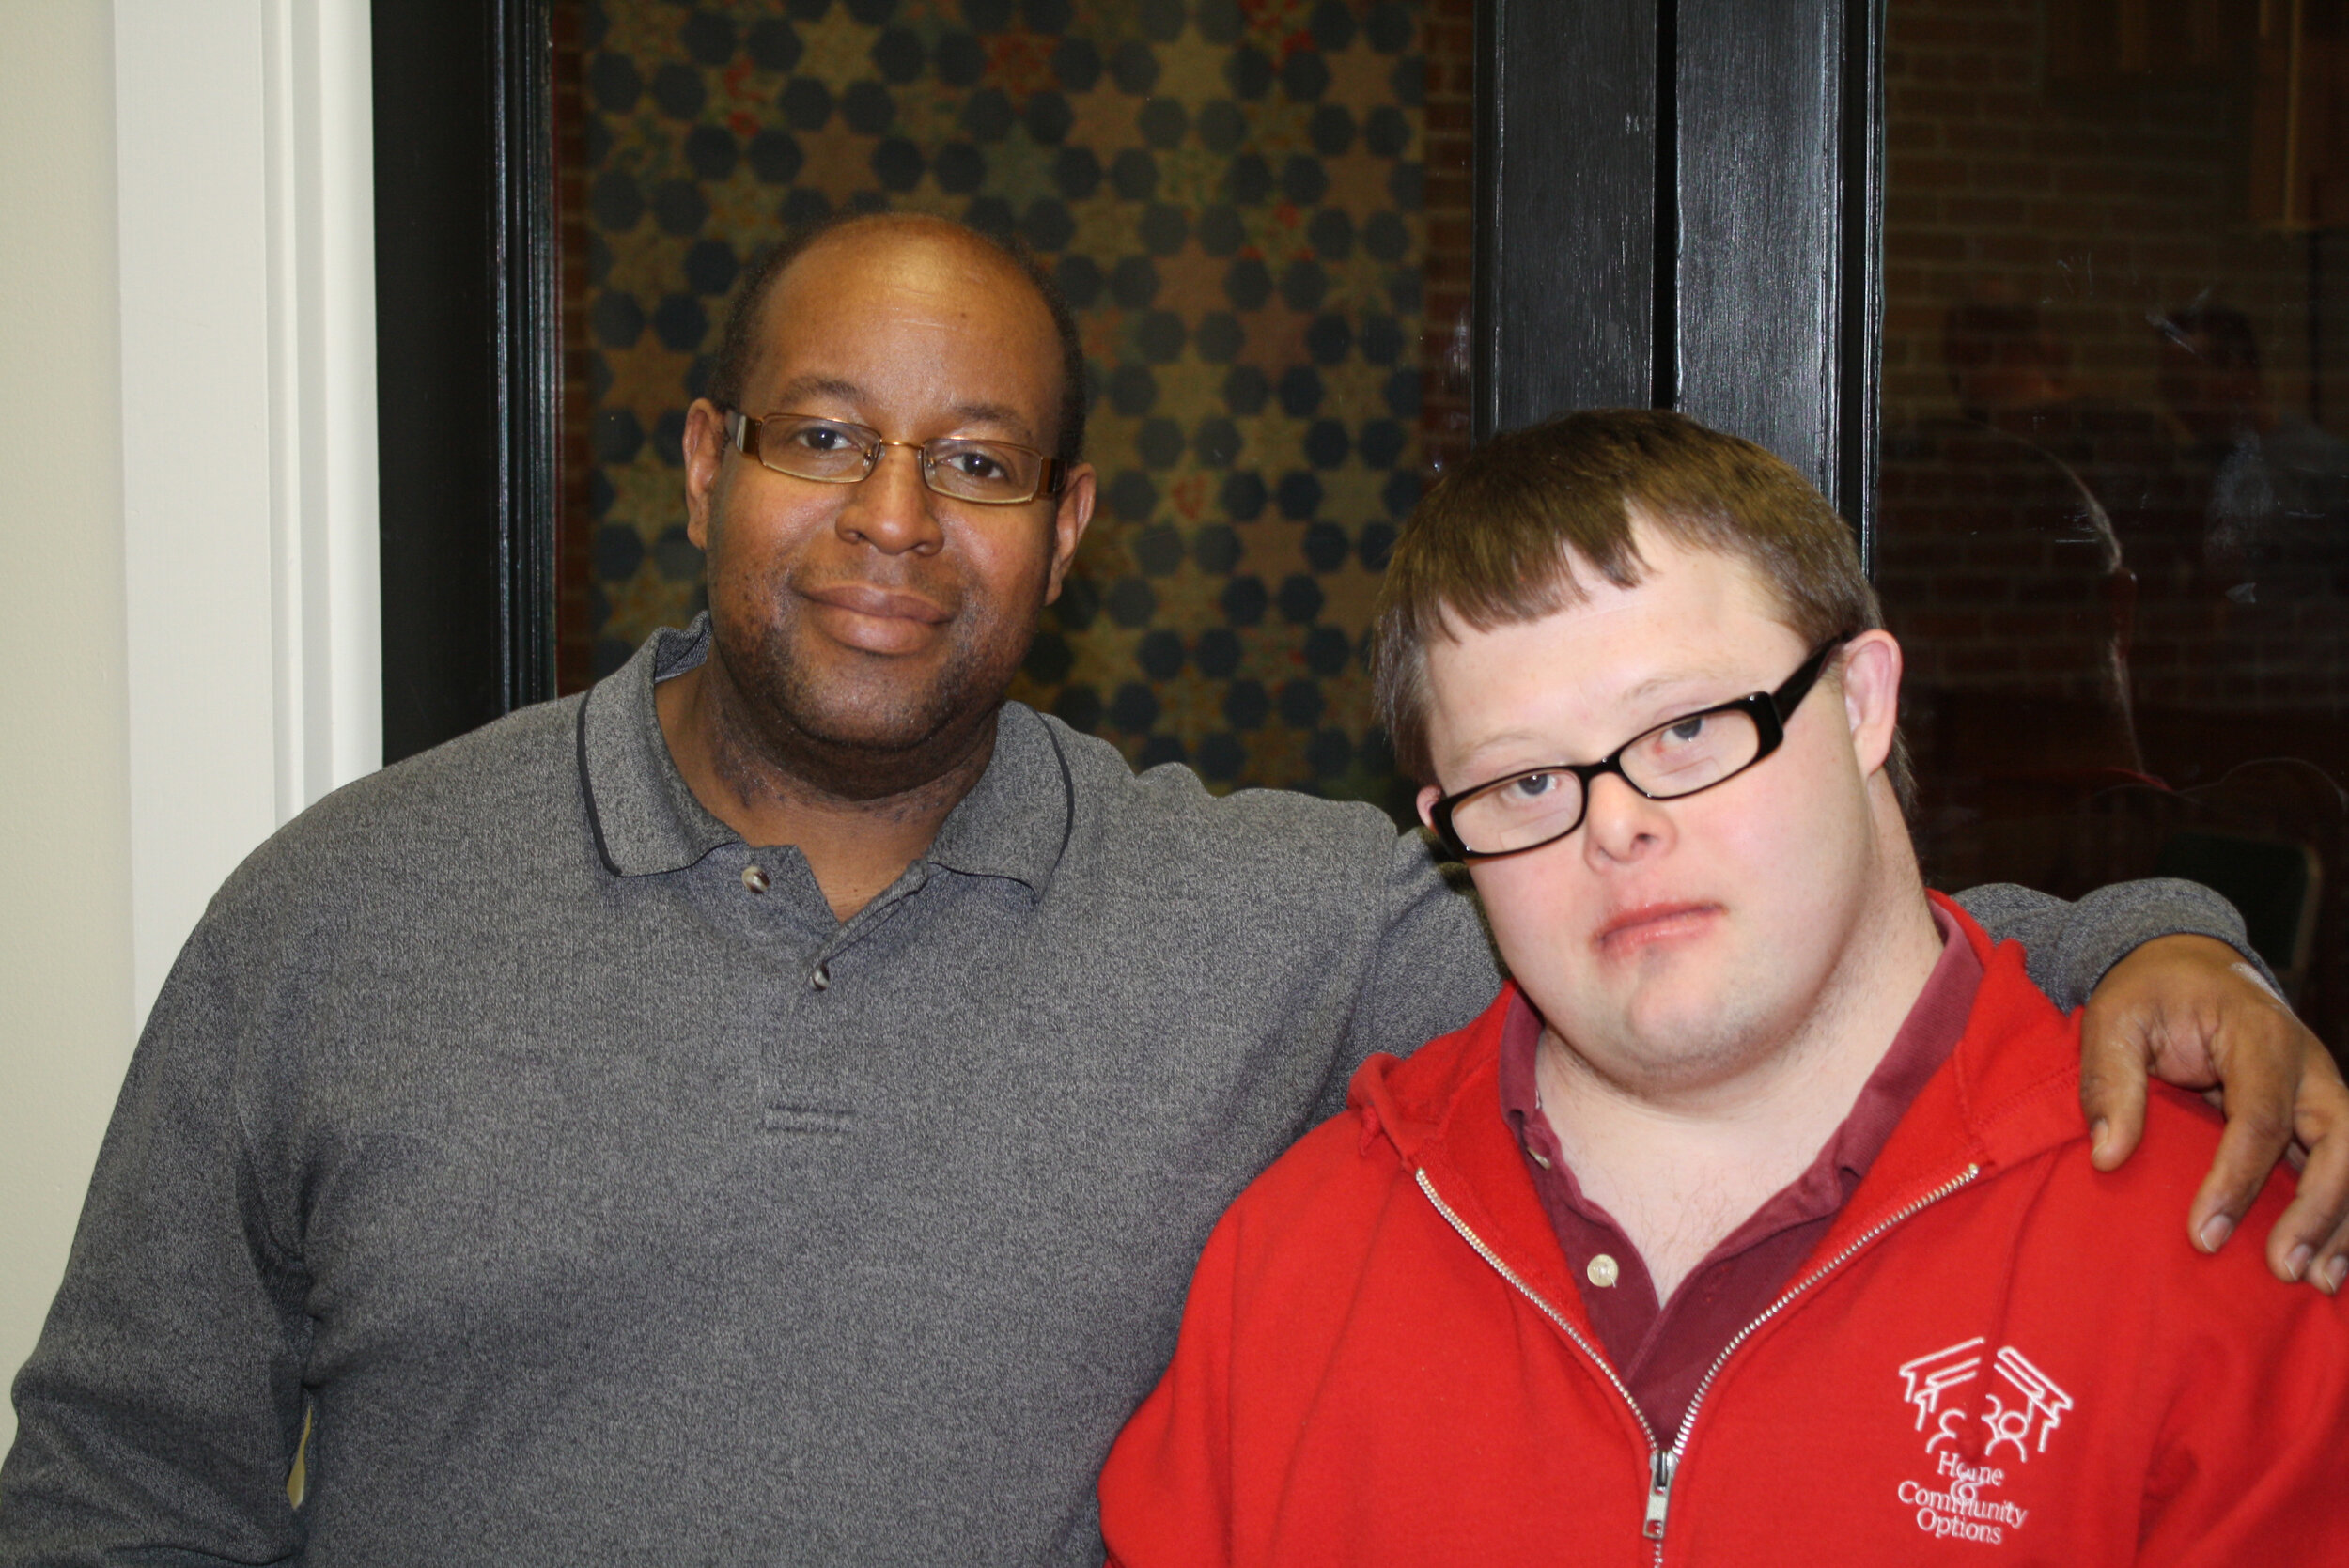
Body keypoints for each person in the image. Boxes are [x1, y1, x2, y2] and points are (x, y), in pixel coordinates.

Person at [0, 218, 2341, 1567]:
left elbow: (1689, 906)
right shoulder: (341, 913)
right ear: (705, 466)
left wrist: (2154, 943)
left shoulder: (1262, 917)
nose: (895, 517)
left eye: (982, 461)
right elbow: (115, 1485)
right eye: (823, 435)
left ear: (1071, 531)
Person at [1097, 410, 2349, 1564]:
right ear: (1446, 828)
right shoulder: (1299, 1263)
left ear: (1862, 700)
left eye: (1687, 725)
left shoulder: (2220, 1251)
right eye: (1525, 782)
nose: (1619, 827)